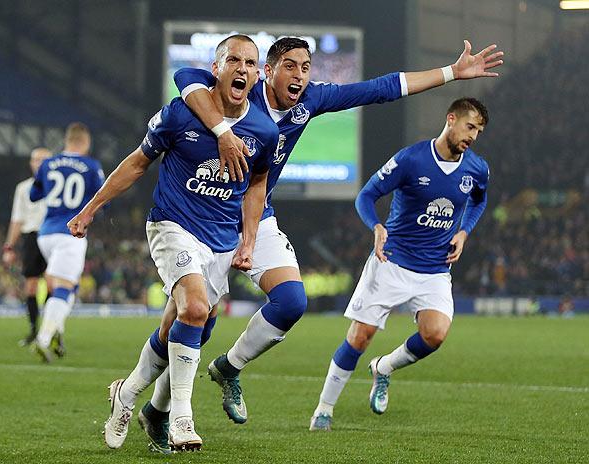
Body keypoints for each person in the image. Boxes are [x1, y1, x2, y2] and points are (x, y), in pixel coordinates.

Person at [155, 37, 503, 428]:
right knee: (194, 320)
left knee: (290, 302)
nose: (300, 75)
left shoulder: (310, 101)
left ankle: (229, 368)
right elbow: (186, 76)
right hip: (206, 217)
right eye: (290, 66)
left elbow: (381, 88)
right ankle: (149, 402)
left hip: (259, 218)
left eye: (306, 67)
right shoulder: (242, 85)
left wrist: (451, 73)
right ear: (267, 70)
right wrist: (221, 129)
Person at [67, 34, 278, 452]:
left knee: (175, 328)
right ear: (215, 69)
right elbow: (137, 163)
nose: (241, 68)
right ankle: (182, 415)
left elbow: (258, 185)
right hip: (172, 224)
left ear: (257, 74)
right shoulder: (182, 113)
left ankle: (125, 395)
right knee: (197, 308)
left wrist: (249, 240)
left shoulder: (264, 130)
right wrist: (91, 209)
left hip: (220, 239)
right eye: (231, 59)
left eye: (249, 62)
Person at [309, 97, 490, 431]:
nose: (473, 136)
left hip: (435, 269)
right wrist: (376, 226)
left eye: (478, 131)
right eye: (470, 127)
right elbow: (365, 195)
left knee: (435, 335)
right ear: (451, 119)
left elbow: (479, 200)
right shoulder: (411, 159)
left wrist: (464, 231)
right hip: (391, 261)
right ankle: (324, 408)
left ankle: (384, 368)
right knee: (359, 337)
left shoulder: (476, 168)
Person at [29, 123, 104, 362]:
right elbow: (104, 198)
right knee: (63, 288)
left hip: (45, 234)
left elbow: (34, 195)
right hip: (70, 234)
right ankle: (43, 338)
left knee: (69, 288)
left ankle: (56, 331)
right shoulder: (91, 166)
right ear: (85, 142)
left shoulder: (48, 163)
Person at [2, 147, 51, 345]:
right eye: (35, 160)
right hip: (31, 238)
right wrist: (9, 247)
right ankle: (33, 330)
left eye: (42, 160)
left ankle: (50, 331)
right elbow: (17, 219)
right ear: (30, 163)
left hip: (52, 236)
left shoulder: (58, 187)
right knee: (30, 286)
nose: (38, 163)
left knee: (52, 285)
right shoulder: (23, 188)